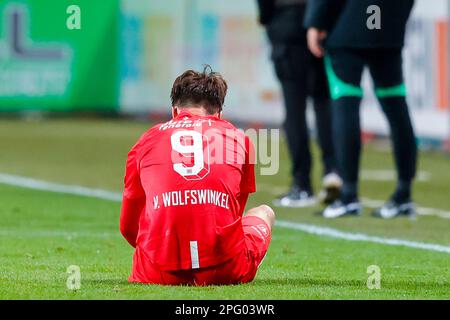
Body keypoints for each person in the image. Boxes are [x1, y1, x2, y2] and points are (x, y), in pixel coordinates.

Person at [119, 66, 275, 285]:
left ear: (174, 111)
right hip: (226, 269)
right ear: (219, 113)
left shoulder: (146, 140)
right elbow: (233, 216)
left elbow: (127, 227)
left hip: (155, 272)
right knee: (264, 212)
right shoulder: (240, 138)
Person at [304, 0, 418, 218]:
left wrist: (316, 21)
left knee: (346, 106)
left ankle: (349, 195)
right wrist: (395, 17)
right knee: (396, 108)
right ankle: (404, 195)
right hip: (387, 28)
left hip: (348, 26)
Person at [256, 0, 342, 208]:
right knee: (324, 104)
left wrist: (266, 16)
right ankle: (332, 171)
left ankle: (302, 184)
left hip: (287, 26)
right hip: (321, 26)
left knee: (294, 110)